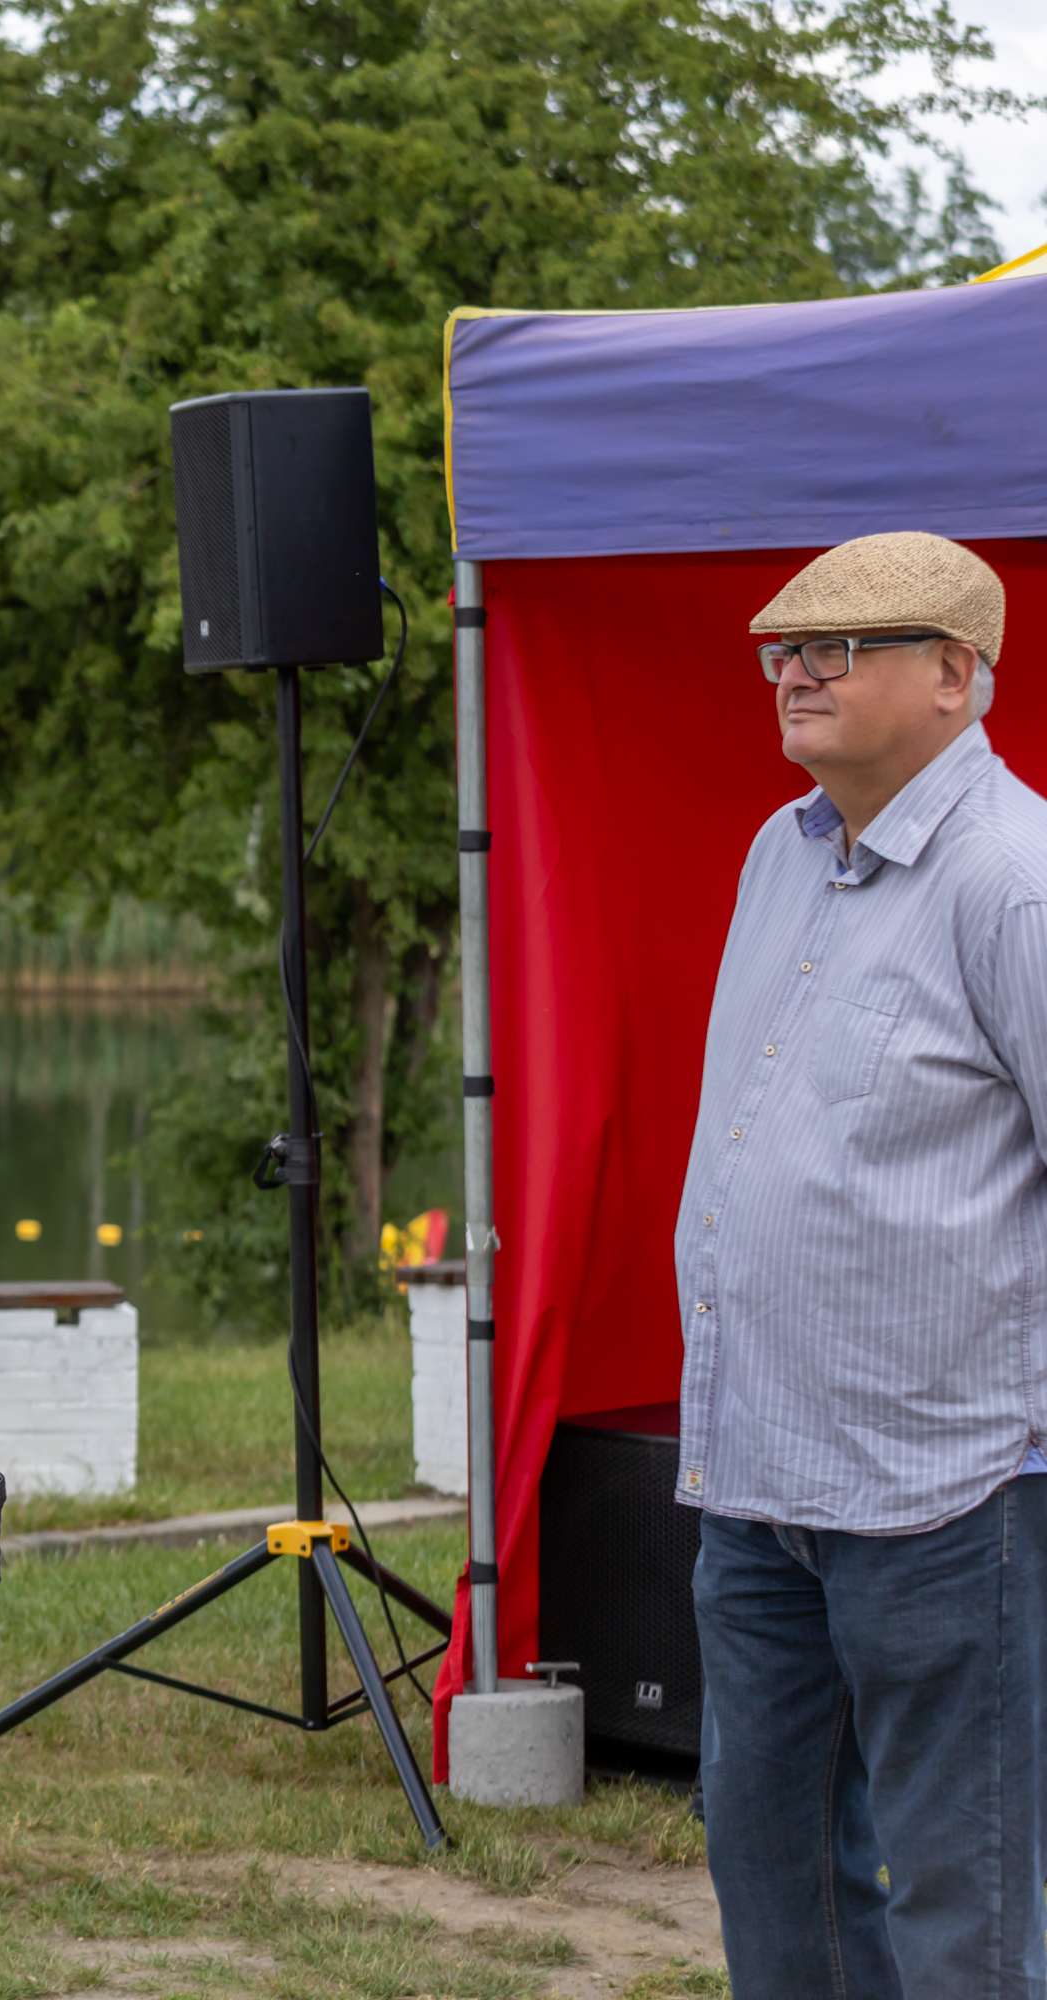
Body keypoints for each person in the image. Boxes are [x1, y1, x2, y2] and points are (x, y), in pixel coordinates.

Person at [679, 532, 1047, 1993]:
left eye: (843, 645)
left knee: (972, 1916)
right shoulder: (784, 850)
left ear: (956, 676)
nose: (798, 670)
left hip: (950, 1496)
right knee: (776, 1892)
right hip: (757, 1486)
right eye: (784, 648)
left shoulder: (1014, 881)